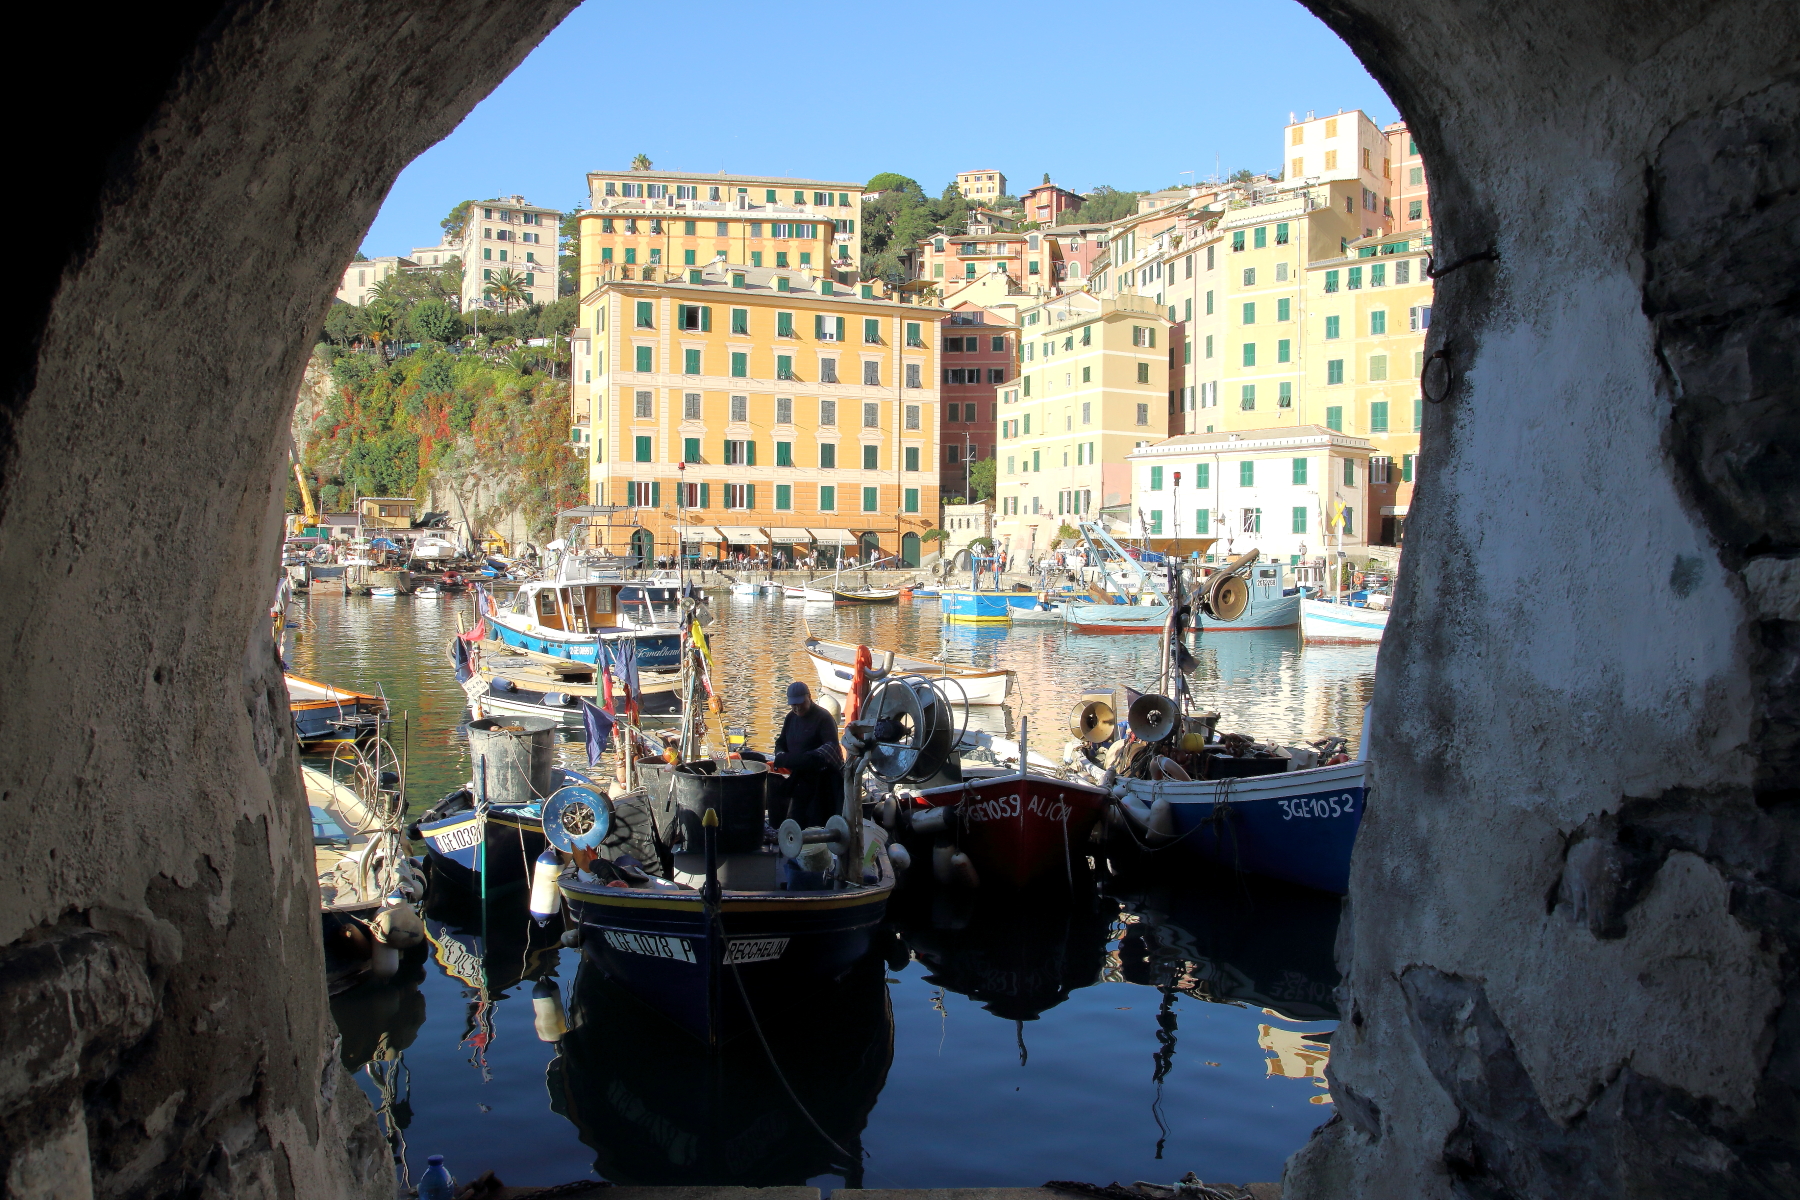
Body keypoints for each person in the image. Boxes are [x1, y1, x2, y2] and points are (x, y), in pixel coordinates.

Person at [771, 681, 842, 828]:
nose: (797, 708)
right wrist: (780, 754)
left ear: (809, 697)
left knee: (816, 822)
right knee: (796, 820)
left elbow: (828, 751)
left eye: (800, 703)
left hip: (821, 781)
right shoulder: (790, 718)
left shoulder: (823, 718)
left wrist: (786, 759)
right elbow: (781, 742)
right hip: (799, 777)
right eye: (793, 705)